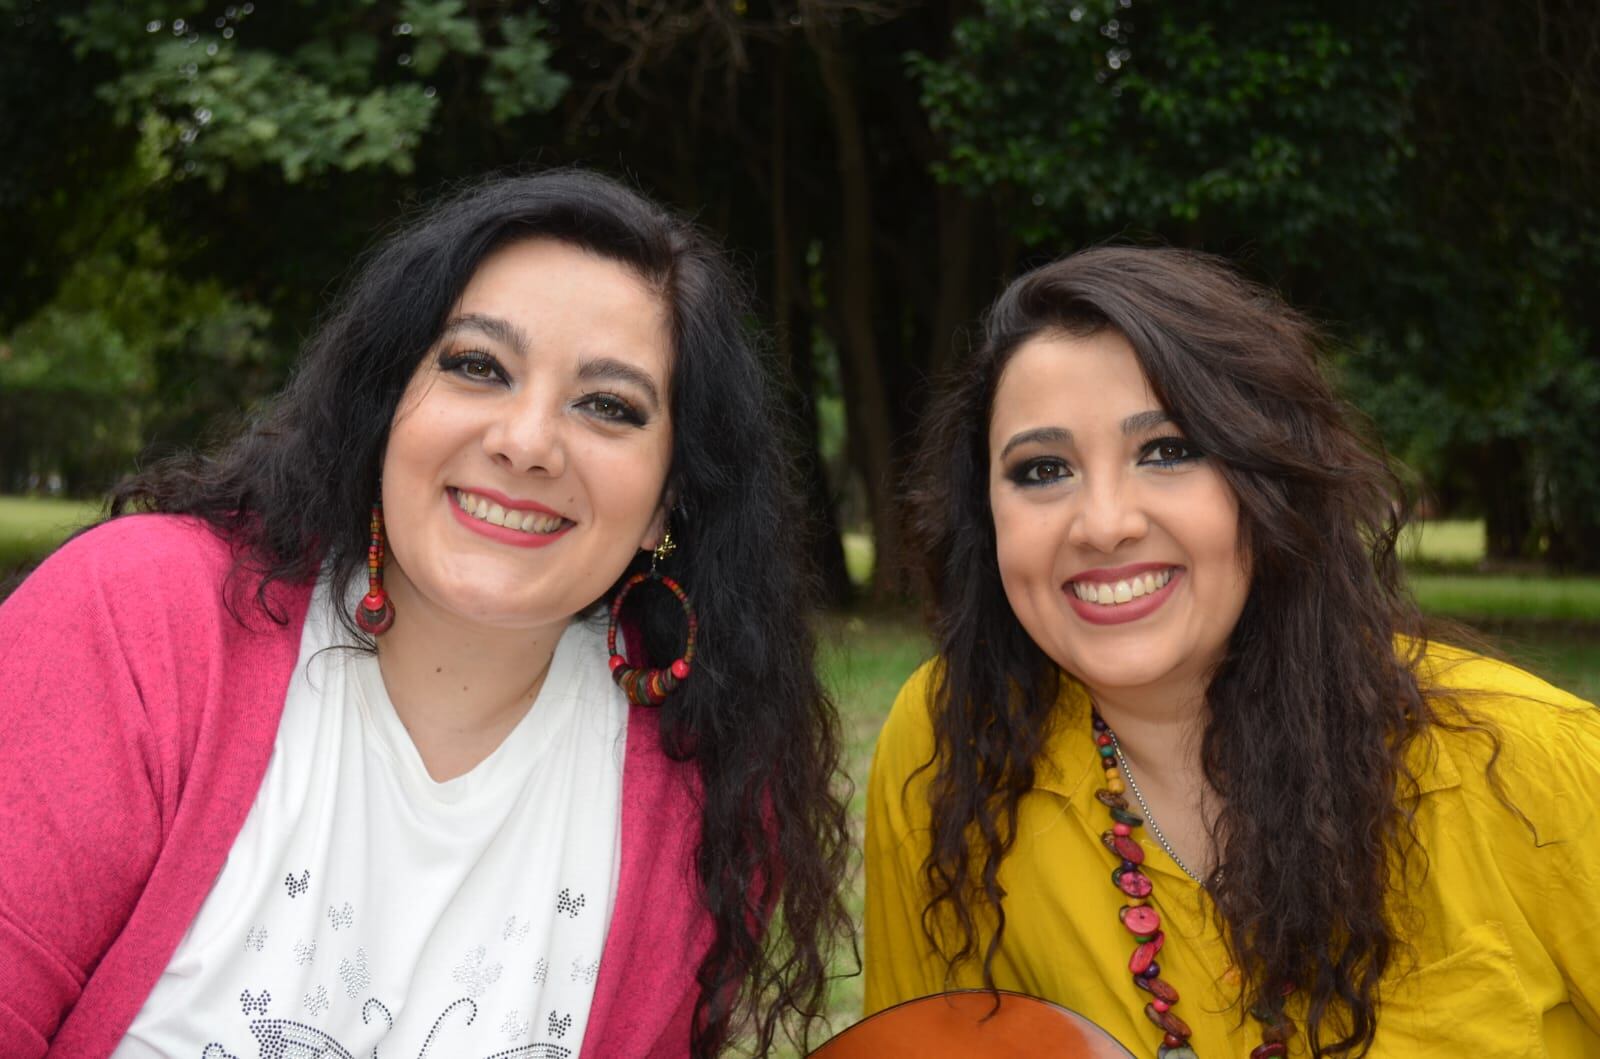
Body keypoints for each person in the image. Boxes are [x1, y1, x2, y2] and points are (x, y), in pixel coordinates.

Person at [0, 170, 851, 1058]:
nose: (525, 442)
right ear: (386, 399)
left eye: (608, 406)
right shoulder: (139, 619)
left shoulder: (703, 793)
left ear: (669, 496)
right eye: (477, 365)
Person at [863, 247, 1600, 1057]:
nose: (1104, 522)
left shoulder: (1536, 767)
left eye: (1168, 451)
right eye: (1043, 469)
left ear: (1269, 483)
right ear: (987, 517)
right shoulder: (952, 747)